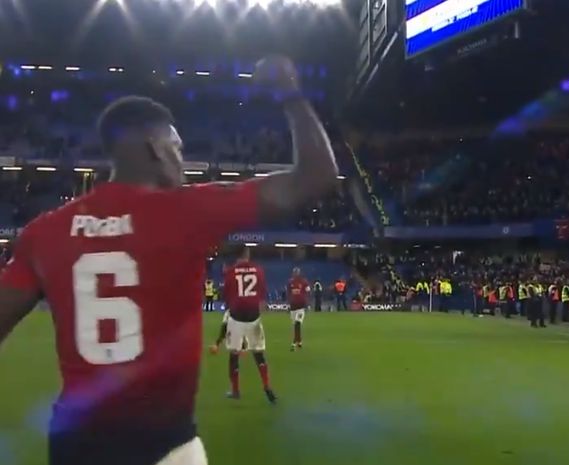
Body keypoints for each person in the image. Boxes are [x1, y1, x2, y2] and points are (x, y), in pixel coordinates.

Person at [0, 56, 338, 465]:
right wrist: (291, 93)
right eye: (178, 147)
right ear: (157, 149)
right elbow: (317, 175)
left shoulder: (44, 232)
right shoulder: (188, 211)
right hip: (162, 444)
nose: (182, 159)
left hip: (74, 445)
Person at [209, 248, 276, 403]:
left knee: (234, 355)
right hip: (254, 317)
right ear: (247, 255)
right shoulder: (258, 270)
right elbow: (261, 293)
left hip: (237, 317)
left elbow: (225, 294)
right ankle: (267, 386)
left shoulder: (230, 272)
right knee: (258, 354)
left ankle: (235, 390)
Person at [288, 267, 310, 351]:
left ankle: (293, 343)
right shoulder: (290, 282)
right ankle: (299, 341)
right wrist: (289, 303)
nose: (296, 274)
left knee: (298, 323)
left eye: (297, 272)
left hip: (301, 306)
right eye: (295, 272)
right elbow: (289, 293)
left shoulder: (304, 282)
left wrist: (307, 303)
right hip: (293, 307)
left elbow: (308, 291)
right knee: (295, 325)